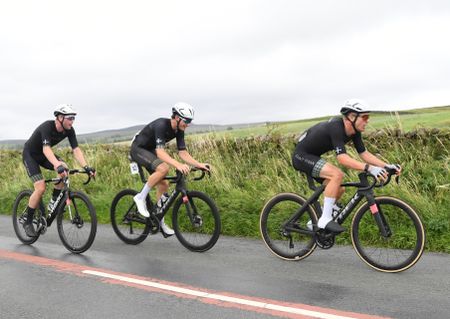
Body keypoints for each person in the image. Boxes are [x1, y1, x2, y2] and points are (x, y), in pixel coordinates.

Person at [292, 99, 401, 233]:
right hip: (301, 156)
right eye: (365, 117)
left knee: (340, 189)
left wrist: (386, 165)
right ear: (351, 117)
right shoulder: (336, 127)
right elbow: (342, 158)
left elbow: (364, 153)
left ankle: (314, 222)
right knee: (337, 174)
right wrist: (369, 168)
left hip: (313, 156)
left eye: (368, 117)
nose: (368, 121)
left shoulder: (355, 131)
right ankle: (325, 219)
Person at [130, 102, 210, 236]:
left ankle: (159, 222)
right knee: (163, 169)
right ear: (177, 118)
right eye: (186, 121)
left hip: (150, 151)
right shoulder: (162, 125)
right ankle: (140, 197)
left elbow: (183, 153)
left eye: (190, 121)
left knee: (164, 184)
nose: (188, 124)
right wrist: (177, 165)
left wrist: (198, 164)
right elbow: (160, 153)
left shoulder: (179, 130)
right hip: (138, 149)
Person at [22, 104, 96, 237]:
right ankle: (27, 221)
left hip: (44, 155)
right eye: (70, 118)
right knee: (40, 187)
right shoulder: (47, 127)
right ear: (60, 118)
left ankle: (53, 202)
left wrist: (86, 167)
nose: (72, 121)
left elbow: (76, 150)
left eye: (73, 118)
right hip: (31, 155)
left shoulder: (69, 130)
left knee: (65, 168)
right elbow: (46, 149)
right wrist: (57, 165)